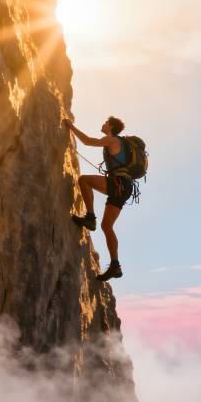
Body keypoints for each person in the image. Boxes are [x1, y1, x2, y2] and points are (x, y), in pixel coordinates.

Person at [63, 116, 133, 281]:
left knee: (84, 180)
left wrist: (71, 127)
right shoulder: (119, 142)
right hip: (125, 186)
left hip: (118, 183)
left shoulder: (111, 139)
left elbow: (87, 141)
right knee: (107, 226)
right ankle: (115, 266)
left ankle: (90, 217)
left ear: (110, 127)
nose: (102, 124)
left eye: (105, 123)